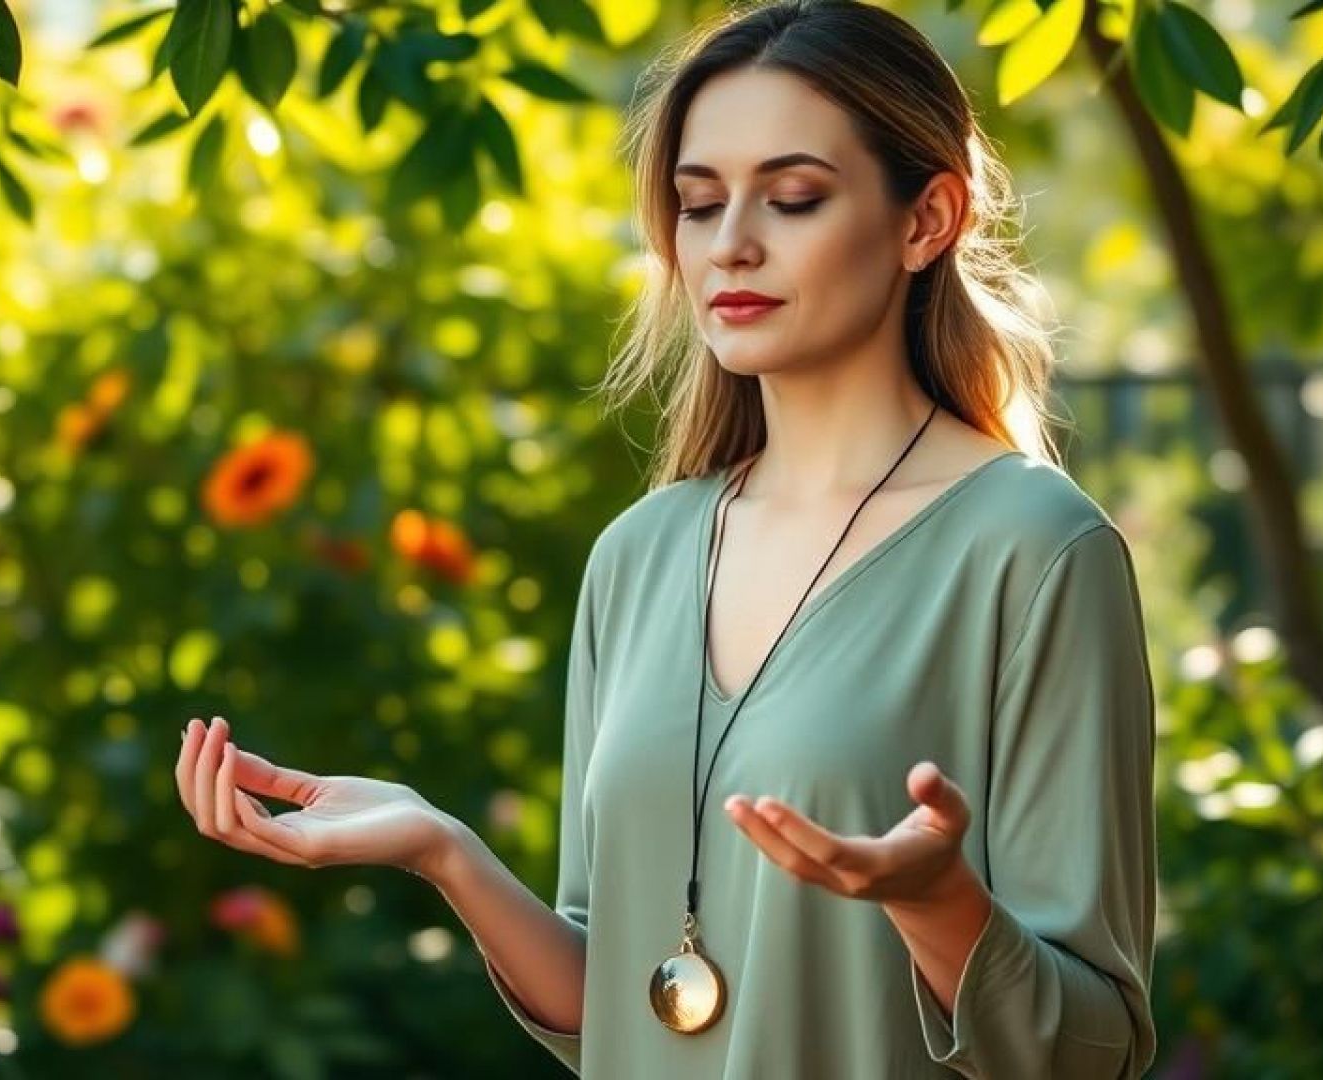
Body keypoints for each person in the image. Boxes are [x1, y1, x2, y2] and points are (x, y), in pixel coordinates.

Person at [174, 0, 1157, 1075]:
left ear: (928, 220)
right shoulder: (638, 555)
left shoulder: (1036, 549)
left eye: (792, 199)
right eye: (698, 204)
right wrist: (442, 850)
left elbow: (1093, 1050)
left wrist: (939, 907)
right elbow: (621, 998)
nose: (730, 243)